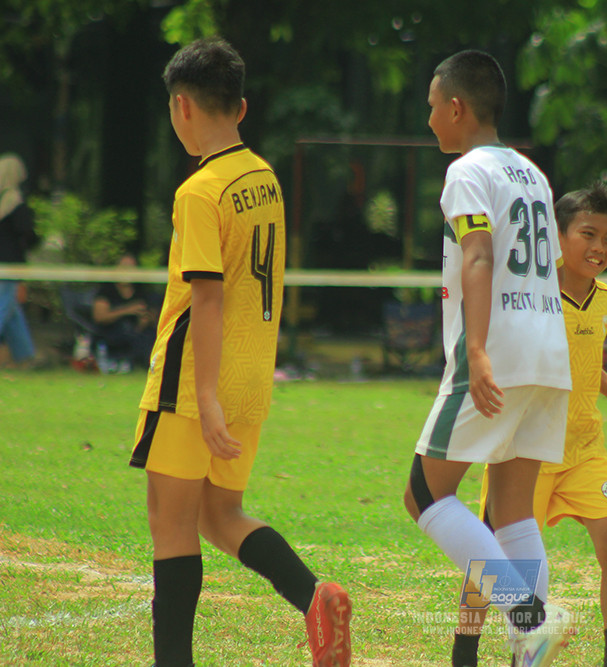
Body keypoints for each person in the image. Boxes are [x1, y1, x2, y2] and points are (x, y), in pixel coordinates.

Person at [129, 38, 350, 667]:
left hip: (195, 381)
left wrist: (202, 396)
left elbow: (206, 296)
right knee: (220, 514)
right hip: (253, 375)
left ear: (182, 107)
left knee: (171, 528)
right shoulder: (265, 179)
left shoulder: (200, 190)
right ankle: (316, 596)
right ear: (242, 107)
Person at [400, 50, 574, 667]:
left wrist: (475, 351)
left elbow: (477, 256)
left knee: (423, 496)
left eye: (431, 107)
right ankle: (530, 652)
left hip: (499, 351)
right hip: (549, 352)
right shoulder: (532, 173)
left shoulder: (467, 172)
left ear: (457, 107)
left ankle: (530, 618)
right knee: (512, 512)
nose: (428, 121)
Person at [470, 182, 607, 667]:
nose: (599, 248)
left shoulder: (606, 299)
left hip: (585, 447)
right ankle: (465, 648)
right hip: (525, 448)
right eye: (588, 235)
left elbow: (583, 363)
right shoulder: (529, 294)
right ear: (556, 236)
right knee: (491, 561)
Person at [0, 153, 40, 368]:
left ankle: (26, 356)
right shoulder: (14, 201)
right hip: (9, 264)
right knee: (3, 307)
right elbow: (26, 232)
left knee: (12, 310)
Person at [92, 253, 159, 370]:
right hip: (113, 332)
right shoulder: (106, 291)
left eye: (131, 268)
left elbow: (154, 316)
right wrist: (127, 310)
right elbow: (100, 317)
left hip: (138, 334)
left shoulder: (142, 292)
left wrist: (146, 320)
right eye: (124, 267)